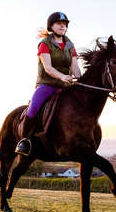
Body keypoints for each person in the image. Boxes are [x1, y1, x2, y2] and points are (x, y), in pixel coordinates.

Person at [15, 12, 82, 156]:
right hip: (47, 84)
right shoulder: (45, 43)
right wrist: (62, 76)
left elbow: (75, 67)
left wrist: (81, 79)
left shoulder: (70, 45)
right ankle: (24, 141)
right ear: (51, 26)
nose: (62, 26)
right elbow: (48, 68)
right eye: (59, 24)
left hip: (65, 86)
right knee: (33, 108)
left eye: (64, 24)